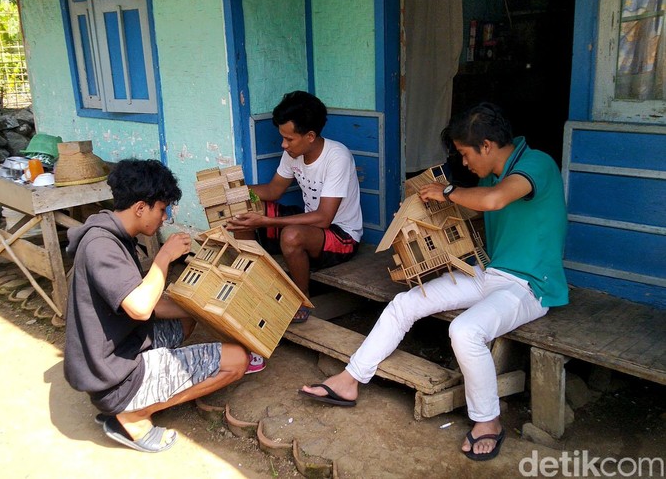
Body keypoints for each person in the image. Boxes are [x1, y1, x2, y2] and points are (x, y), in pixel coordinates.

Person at [299, 102, 569, 461]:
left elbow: (492, 200)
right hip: (489, 273)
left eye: (465, 153)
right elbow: (475, 205)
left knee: (465, 330)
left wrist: (447, 192)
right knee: (406, 302)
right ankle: (350, 380)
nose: (466, 162)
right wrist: (423, 207)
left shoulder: (536, 164)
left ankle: (488, 422)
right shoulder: (493, 174)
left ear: (487, 145)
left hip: (531, 286)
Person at [63, 158, 249, 453]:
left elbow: (154, 305)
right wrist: (164, 257)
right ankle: (133, 413)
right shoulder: (102, 246)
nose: (165, 217)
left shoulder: (112, 233)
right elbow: (140, 307)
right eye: (162, 209)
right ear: (140, 207)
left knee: (187, 320)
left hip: (118, 353)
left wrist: (203, 308)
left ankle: (146, 390)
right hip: (116, 378)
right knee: (238, 360)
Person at [227, 90, 363, 324]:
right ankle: (251, 283)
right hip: (310, 222)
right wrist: (233, 192)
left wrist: (267, 222)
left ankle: (301, 297)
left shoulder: (337, 157)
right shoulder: (293, 154)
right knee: (242, 210)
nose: (283, 144)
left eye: (289, 139)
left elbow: (323, 219)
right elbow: (273, 190)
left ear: (310, 136)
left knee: (291, 236)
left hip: (341, 236)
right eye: (282, 138)